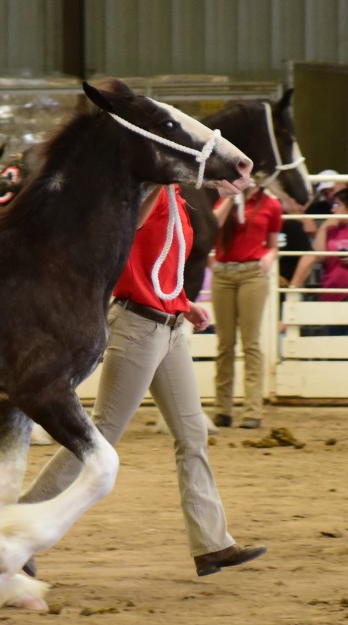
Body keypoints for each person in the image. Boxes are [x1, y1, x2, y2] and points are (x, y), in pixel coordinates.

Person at [22, 185, 267, 577]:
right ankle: (20, 523)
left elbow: (163, 264)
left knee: (192, 435)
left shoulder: (176, 198)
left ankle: (212, 543)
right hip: (137, 327)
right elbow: (131, 232)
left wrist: (184, 304)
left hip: (169, 329)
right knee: (99, 436)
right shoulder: (138, 193)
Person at [210, 185, 283, 430]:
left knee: (251, 343)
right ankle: (223, 409)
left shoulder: (271, 205)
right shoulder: (225, 200)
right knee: (225, 343)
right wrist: (232, 198)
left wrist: (269, 258)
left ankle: (252, 410)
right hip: (223, 273)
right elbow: (213, 225)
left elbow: (273, 244)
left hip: (252, 272)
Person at [289, 189, 348, 334]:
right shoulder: (332, 229)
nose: (333, 210)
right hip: (332, 294)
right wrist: (324, 227)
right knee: (333, 346)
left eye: (337, 205)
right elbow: (318, 256)